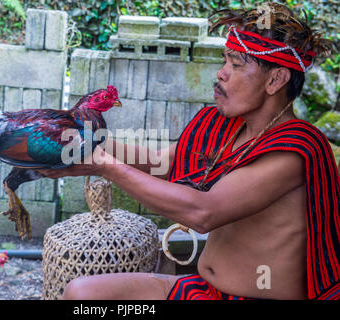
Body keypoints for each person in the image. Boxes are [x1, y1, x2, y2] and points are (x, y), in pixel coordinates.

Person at [37, 3, 340, 300]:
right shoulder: (228, 128)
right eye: (224, 61)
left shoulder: (296, 150)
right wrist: (80, 139)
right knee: (82, 294)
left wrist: (104, 166)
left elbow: (203, 212)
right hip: (205, 291)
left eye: (235, 64)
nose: (221, 74)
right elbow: (159, 164)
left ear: (275, 79)